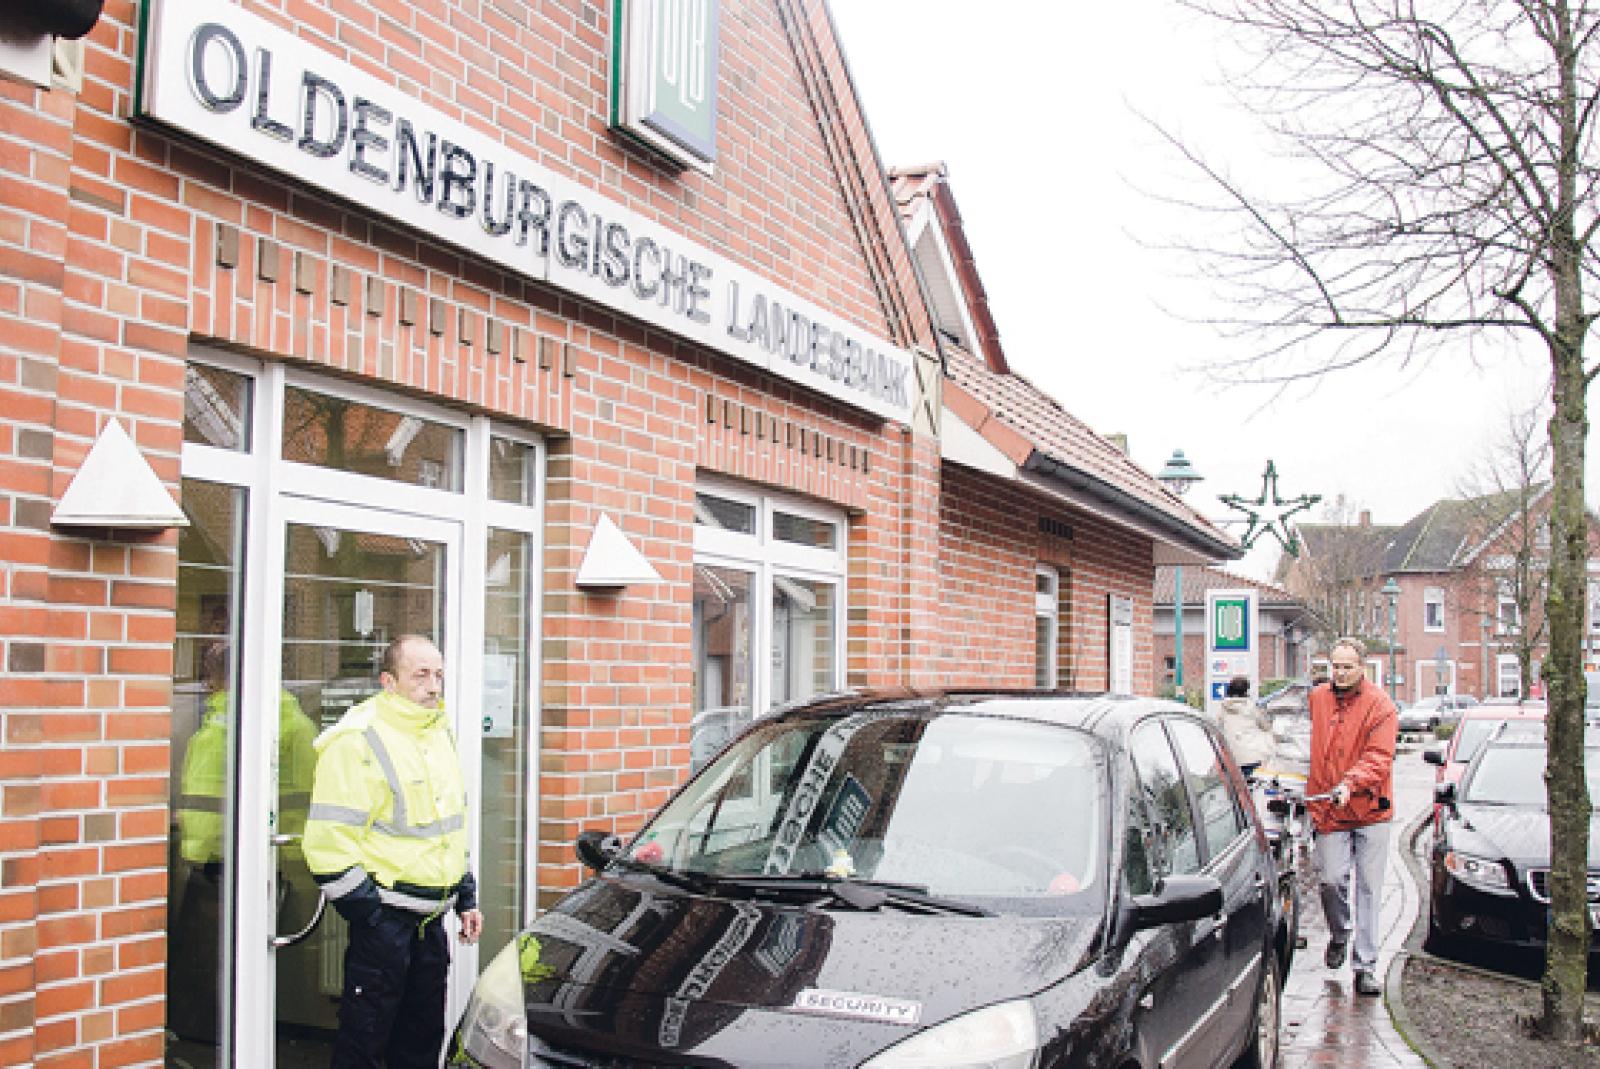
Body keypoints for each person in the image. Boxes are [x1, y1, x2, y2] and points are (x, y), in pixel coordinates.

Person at [303, 634, 482, 1068]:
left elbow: (446, 827)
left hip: (430, 924)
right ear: (389, 681)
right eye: (420, 675)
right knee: (364, 1048)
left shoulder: (436, 732)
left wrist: (465, 896)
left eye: (438, 675)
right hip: (385, 924)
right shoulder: (358, 739)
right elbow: (328, 843)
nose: (433, 686)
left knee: (420, 1046)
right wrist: (372, 916)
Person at [1306, 637, 1398, 998]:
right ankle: (1340, 933)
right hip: (1330, 809)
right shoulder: (1318, 699)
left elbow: (1379, 756)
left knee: (1369, 888)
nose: (1340, 673)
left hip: (1370, 809)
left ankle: (1366, 967)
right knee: (1331, 880)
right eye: (1336, 666)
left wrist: (1351, 783)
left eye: (1347, 666)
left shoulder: (1381, 706)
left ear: (1362, 667)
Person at [1216, 675, 1275, 778]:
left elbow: (1218, 730)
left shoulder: (1223, 708)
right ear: (1246, 690)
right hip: (1253, 756)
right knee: (1252, 785)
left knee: (1236, 786)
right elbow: (1266, 727)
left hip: (1232, 758)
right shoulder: (1252, 707)